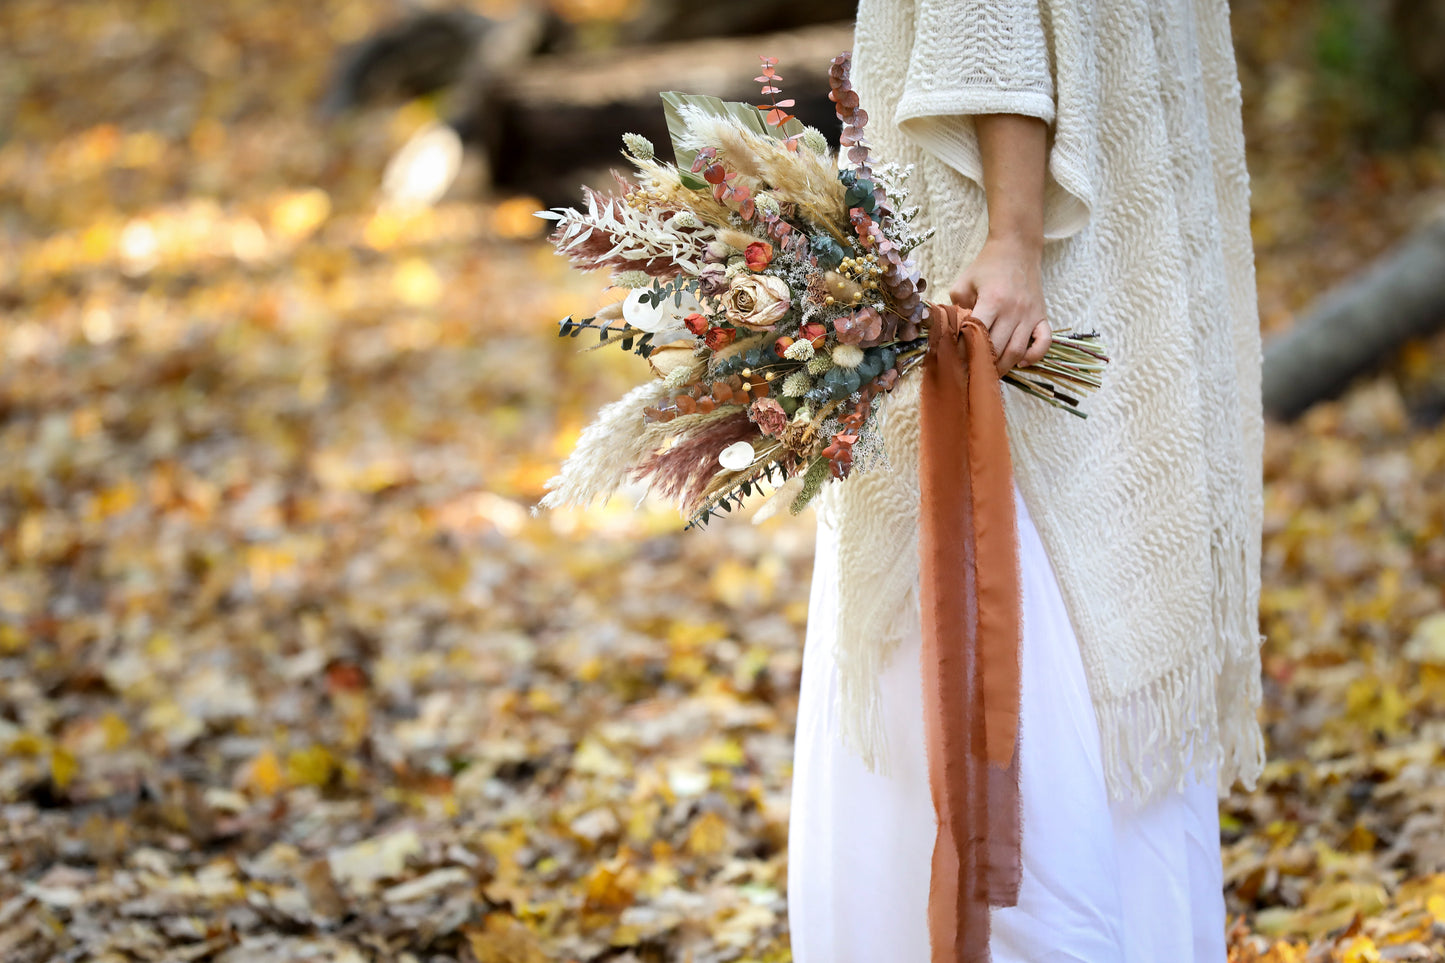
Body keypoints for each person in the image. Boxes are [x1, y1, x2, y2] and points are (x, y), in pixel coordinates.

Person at [787, 0, 1267, 960]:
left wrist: (1012, 236)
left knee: (1044, 615)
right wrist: (1012, 234)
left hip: (1026, 266)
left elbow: (993, 29)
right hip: (1055, 253)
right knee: (1058, 623)